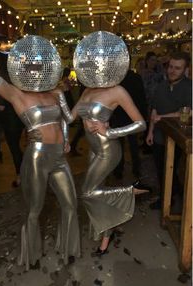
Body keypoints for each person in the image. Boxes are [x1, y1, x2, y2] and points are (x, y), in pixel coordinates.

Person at [0, 12, 80, 270]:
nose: (35, 67)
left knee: (70, 204)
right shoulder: (17, 95)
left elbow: (63, 121)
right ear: (23, 68)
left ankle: (68, 248)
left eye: (39, 63)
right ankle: (32, 256)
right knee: (34, 210)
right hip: (37, 156)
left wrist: (67, 140)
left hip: (59, 156)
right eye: (30, 64)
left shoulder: (55, 92)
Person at [70, 31, 148, 255]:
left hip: (108, 149)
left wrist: (110, 130)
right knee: (97, 191)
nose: (96, 65)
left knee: (86, 192)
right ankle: (107, 234)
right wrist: (59, 95)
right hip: (93, 149)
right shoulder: (86, 90)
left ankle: (130, 191)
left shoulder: (117, 90)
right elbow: (69, 118)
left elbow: (140, 124)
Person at [146, 52, 192, 210]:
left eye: (177, 68)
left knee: (171, 168)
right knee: (160, 168)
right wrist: (150, 132)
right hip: (159, 135)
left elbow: (187, 112)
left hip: (179, 136)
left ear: (186, 69)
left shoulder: (189, 88)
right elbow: (154, 111)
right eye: (171, 67)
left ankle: (170, 198)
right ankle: (170, 195)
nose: (172, 71)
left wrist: (161, 117)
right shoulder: (161, 86)